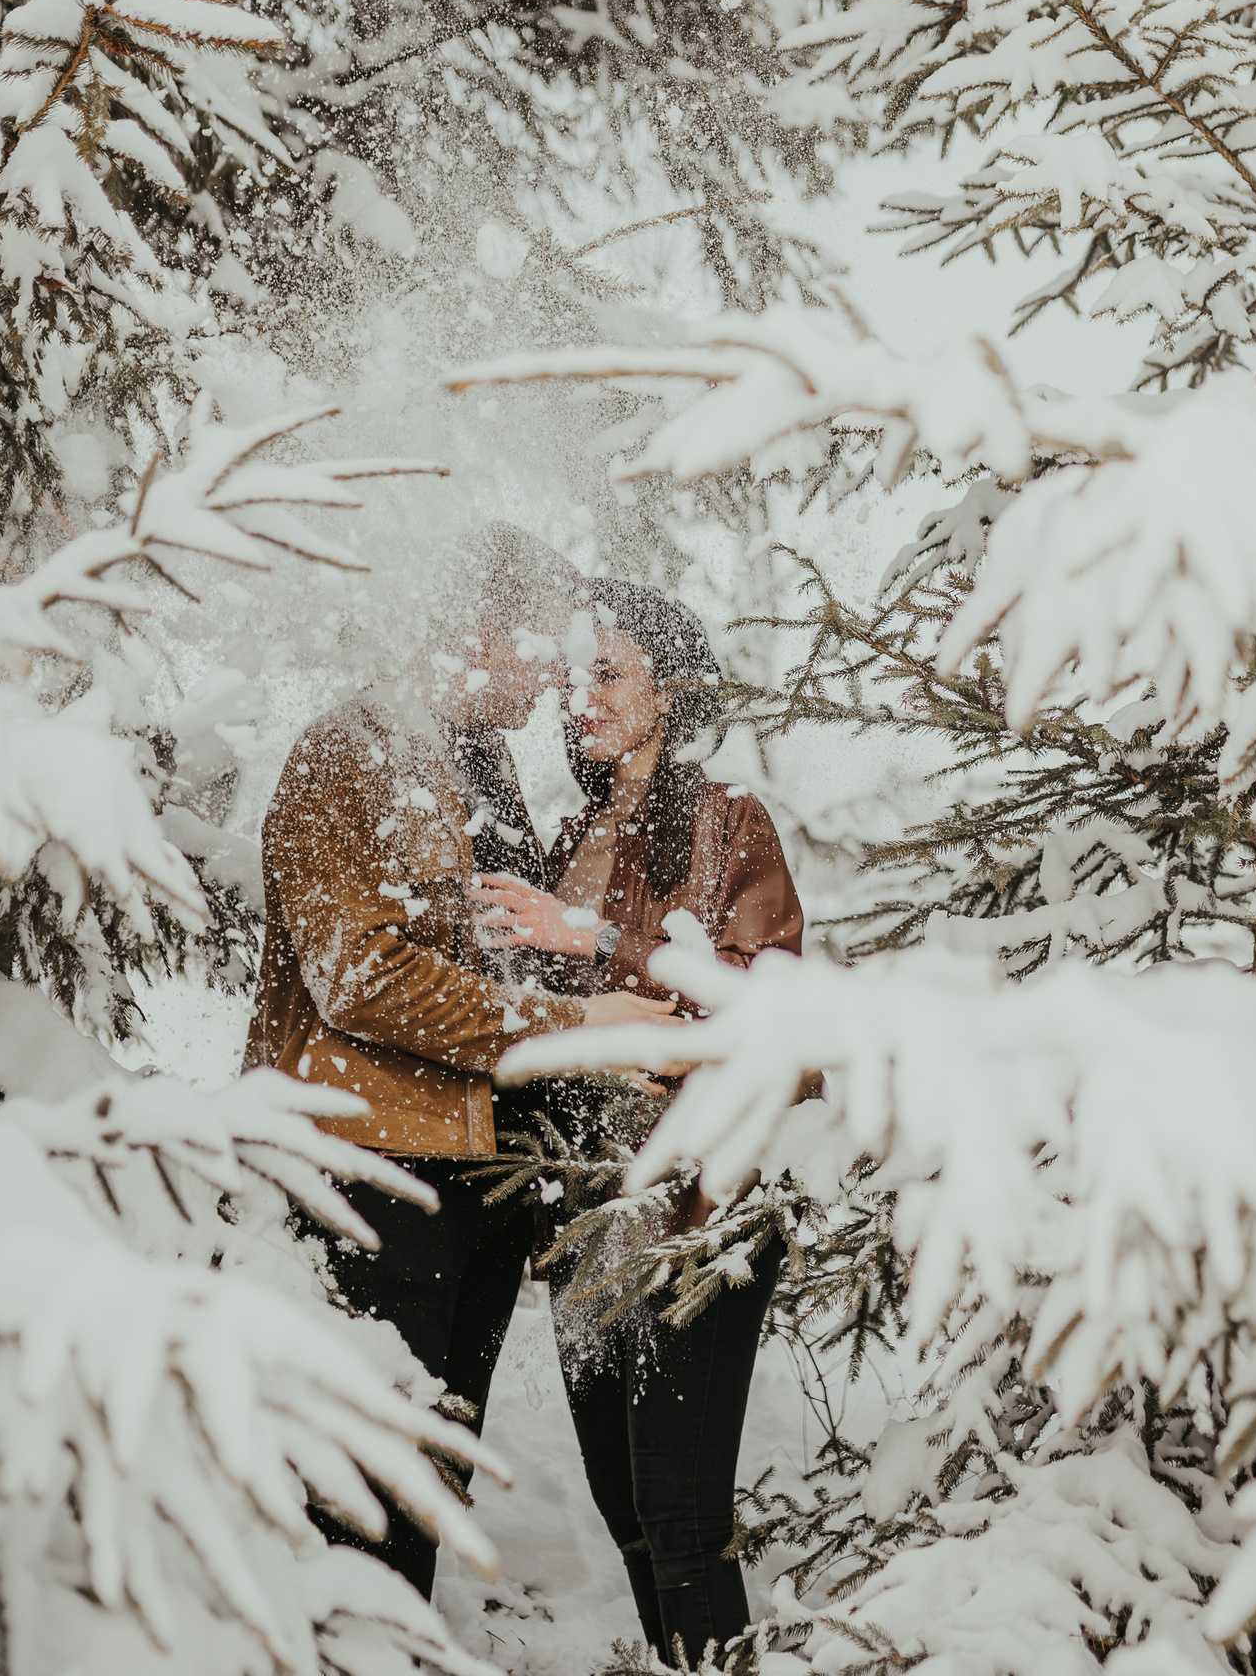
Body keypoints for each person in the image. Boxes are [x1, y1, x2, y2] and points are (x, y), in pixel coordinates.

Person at [245, 524, 677, 1597]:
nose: (557, 679)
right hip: (374, 1180)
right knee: (361, 1491)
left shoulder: (478, 757)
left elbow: (488, 955)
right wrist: (571, 1027)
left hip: (477, 1181)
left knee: (430, 1483)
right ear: (481, 631)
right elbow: (362, 977)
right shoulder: (350, 751)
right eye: (544, 646)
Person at [468, 580, 805, 1663]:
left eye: (609, 671)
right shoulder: (572, 831)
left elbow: (761, 1011)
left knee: (682, 1521)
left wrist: (591, 940)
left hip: (694, 1213)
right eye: (575, 674)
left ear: (672, 690)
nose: (582, 695)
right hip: (587, 1221)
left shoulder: (729, 821)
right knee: (626, 1517)